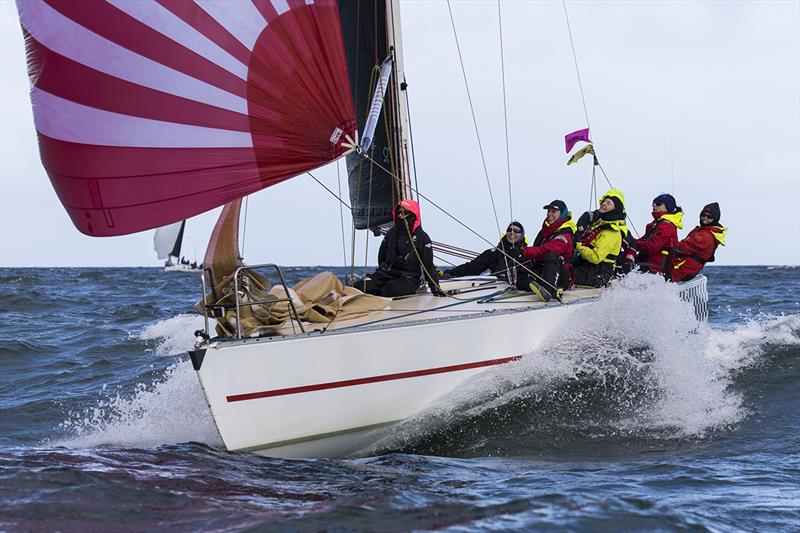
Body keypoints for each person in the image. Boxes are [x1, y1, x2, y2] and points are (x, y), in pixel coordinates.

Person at [356, 199, 445, 297]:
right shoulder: (391, 234)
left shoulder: (421, 238)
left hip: (408, 278)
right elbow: (381, 257)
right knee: (360, 287)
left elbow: (428, 265)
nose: (400, 216)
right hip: (386, 274)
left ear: (413, 215)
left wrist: (435, 287)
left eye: (404, 213)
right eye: (398, 212)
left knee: (390, 289)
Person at [517, 200, 576, 301]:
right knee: (521, 272)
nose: (549, 214)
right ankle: (535, 286)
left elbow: (546, 249)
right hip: (544, 271)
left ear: (562, 214)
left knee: (551, 255)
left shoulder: (565, 235)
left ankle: (550, 289)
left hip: (562, 276)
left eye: (553, 212)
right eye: (548, 211)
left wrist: (523, 252)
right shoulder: (545, 231)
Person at [572, 188, 628, 288]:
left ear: (615, 210)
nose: (604, 204)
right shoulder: (599, 225)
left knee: (564, 273)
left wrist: (578, 246)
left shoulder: (612, 232)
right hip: (587, 268)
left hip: (597, 275)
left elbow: (596, 257)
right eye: (604, 201)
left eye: (609, 203)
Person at [442, 221, 527, 280]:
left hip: (521, 289)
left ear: (522, 235)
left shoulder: (527, 253)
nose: (512, 233)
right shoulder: (494, 253)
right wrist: (449, 273)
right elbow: (471, 268)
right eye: (509, 230)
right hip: (498, 287)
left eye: (516, 231)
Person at [668, 202, 727, 282]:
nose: (705, 218)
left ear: (715, 218)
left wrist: (667, 245)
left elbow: (684, 247)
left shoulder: (705, 236)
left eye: (709, 216)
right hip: (684, 267)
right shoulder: (704, 231)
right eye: (703, 215)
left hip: (682, 269)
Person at [634, 193, 684, 275]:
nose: (654, 205)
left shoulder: (665, 225)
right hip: (648, 263)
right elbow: (642, 241)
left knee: (621, 266)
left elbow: (652, 246)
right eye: (653, 203)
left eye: (658, 203)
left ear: (668, 207)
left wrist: (634, 243)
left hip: (656, 268)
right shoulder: (658, 223)